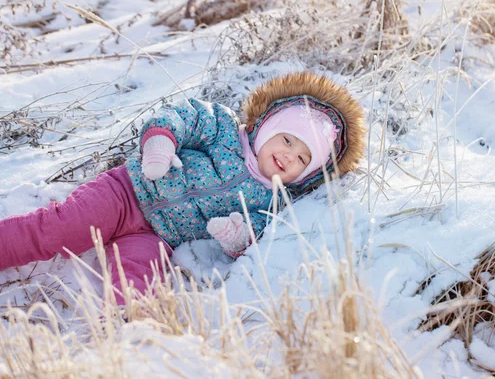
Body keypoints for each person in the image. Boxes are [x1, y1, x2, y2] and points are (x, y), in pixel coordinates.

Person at [0, 72, 366, 304]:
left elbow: (261, 229)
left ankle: (124, 348)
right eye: (286, 140)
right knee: (57, 230)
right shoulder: (222, 129)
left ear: (307, 175)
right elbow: (183, 116)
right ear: (267, 126)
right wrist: (161, 141)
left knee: (138, 289)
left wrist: (239, 237)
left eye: (303, 159)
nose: (288, 156)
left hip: (157, 237)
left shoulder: (272, 200)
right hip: (126, 193)